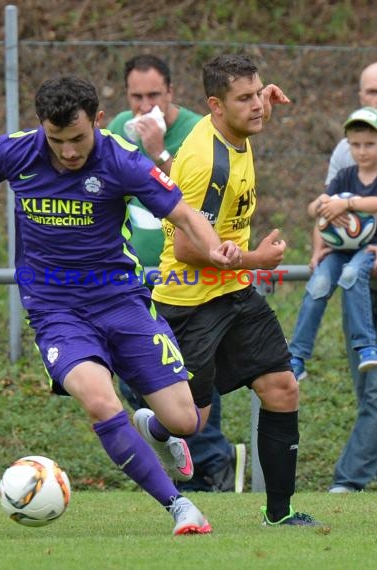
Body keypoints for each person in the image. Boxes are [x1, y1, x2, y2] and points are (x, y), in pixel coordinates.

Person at [0, 75, 244, 535]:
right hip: (55, 309)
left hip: (120, 300)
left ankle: (156, 428)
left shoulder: (122, 160)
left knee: (186, 420)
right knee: (98, 401)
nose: (68, 152)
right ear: (41, 129)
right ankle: (180, 506)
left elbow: (184, 213)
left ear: (98, 120)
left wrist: (213, 249)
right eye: (57, 141)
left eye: (77, 138)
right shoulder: (14, 151)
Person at [138, 52, 319, 526]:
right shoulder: (204, 164)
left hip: (233, 293)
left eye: (259, 93)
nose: (258, 105)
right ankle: (156, 426)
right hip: (190, 303)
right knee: (189, 421)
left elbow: (247, 114)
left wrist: (264, 99)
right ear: (216, 106)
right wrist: (259, 260)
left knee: (282, 388)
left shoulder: (233, 127)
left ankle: (278, 515)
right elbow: (185, 249)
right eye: (247, 98)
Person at [107, 54, 246, 493]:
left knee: (192, 376)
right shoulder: (115, 130)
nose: (144, 105)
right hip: (133, 277)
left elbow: (188, 204)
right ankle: (204, 456)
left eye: (153, 95)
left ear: (171, 93)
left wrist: (157, 152)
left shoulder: (197, 130)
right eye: (136, 96)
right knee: (136, 375)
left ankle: (212, 467)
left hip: (189, 275)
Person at [324, 62, 377, 494]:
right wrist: (323, 247)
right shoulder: (346, 149)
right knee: (368, 390)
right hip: (359, 289)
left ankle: (347, 482)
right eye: (371, 91)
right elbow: (332, 214)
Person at [289, 107, 377, 381]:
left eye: (369, 144)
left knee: (352, 275)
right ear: (348, 145)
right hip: (341, 249)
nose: (362, 151)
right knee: (317, 284)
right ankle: (297, 357)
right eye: (355, 145)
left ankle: (366, 347)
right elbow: (313, 208)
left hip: (374, 247)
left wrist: (346, 203)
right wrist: (324, 206)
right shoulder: (344, 176)